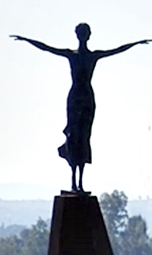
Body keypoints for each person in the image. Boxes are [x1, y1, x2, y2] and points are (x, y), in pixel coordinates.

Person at [11, 26, 151, 193]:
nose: (83, 36)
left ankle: (80, 181)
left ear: (88, 36)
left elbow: (117, 50)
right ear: (77, 35)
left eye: (85, 34)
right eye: (81, 34)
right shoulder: (72, 55)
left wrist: (136, 43)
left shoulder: (93, 56)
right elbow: (47, 48)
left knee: (84, 138)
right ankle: (73, 182)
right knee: (73, 137)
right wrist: (27, 40)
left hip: (86, 99)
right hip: (75, 98)